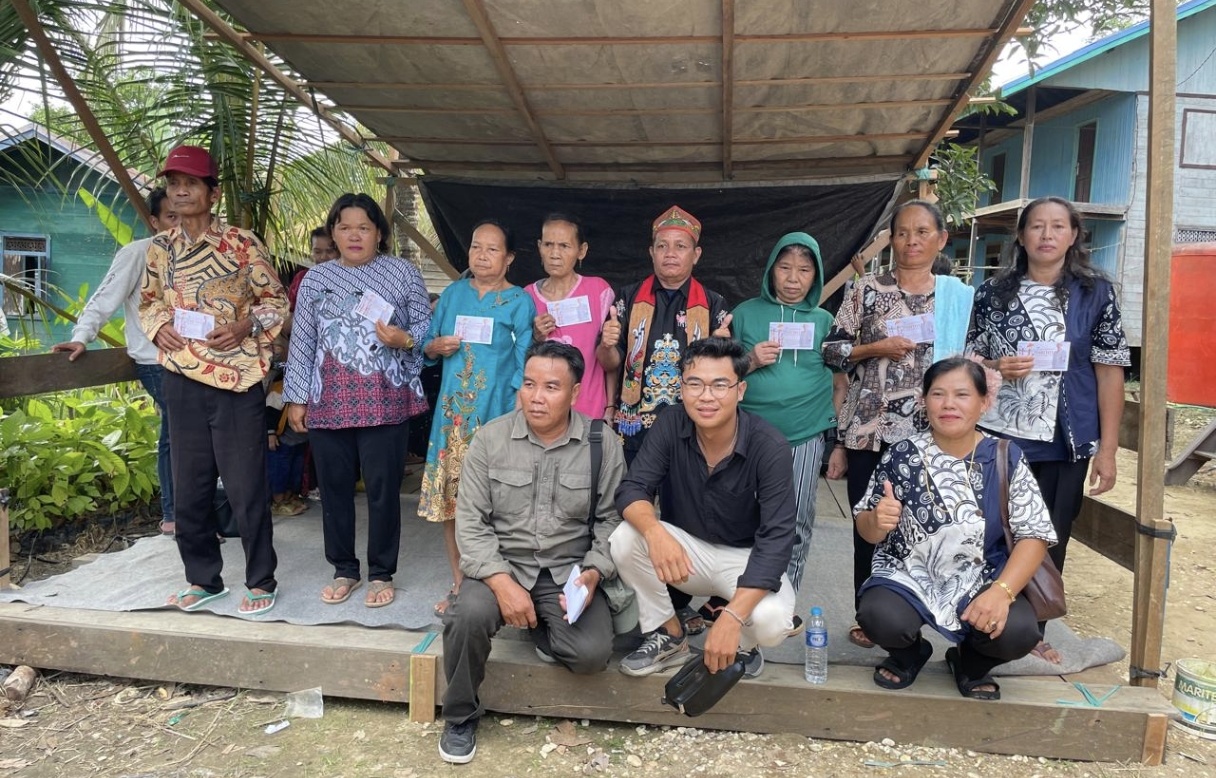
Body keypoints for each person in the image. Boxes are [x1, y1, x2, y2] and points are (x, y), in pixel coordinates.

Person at [437, 341, 625, 764]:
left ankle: (538, 625)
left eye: (551, 387)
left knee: (591, 655)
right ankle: (460, 716)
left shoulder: (601, 443)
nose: (537, 397)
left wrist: (593, 573)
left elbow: (612, 521)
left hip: (566, 572)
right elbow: (471, 523)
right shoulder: (490, 439)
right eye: (529, 384)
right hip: (501, 567)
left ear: (575, 393)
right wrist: (502, 584)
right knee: (466, 616)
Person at [967, 195, 1130, 664]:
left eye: (1058, 226)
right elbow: (969, 359)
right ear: (1021, 236)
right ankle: (980, 620)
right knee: (991, 529)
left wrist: (1108, 449)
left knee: (1050, 532)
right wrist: (997, 365)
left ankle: (1032, 630)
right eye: (1037, 226)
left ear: (1073, 235)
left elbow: (1109, 371)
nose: (1047, 234)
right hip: (1001, 435)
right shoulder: (993, 293)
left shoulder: (1095, 293)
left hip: (1065, 439)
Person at [138, 145, 289, 615]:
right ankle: (203, 580)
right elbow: (149, 302)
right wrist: (157, 327)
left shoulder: (242, 244)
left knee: (245, 487)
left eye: (191, 183)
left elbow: (277, 301)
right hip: (181, 376)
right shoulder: (160, 248)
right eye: (173, 183)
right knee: (190, 486)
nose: (180, 191)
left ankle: (260, 579)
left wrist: (245, 326)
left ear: (213, 192)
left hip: (237, 380)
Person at [854, 357, 1057, 700]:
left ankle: (971, 663)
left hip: (983, 577)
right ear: (924, 401)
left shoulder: (1005, 456)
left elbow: (1034, 535)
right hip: (908, 575)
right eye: (938, 394)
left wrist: (1002, 591)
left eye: (962, 394)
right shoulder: (902, 454)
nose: (948, 404)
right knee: (878, 616)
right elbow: (867, 529)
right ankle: (909, 655)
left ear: (984, 402)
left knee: (1019, 632)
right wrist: (877, 521)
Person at [821, 199, 973, 649]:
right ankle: (870, 617)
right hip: (870, 432)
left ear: (941, 239)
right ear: (892, 240)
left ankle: (923, 616)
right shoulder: (866, 290)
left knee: (928, 527)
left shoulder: (957, 297)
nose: (911, 241)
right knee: (869, 526)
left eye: (922, 232)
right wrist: (875, 349)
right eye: (902, 232)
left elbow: (973, 360)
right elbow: (831, 350)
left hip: (933, 437)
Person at [610, 337, 797, 679]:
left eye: (719, 385)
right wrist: (654, 532)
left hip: (745, 559)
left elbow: (777, 539)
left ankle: (743, 644)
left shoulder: (769, 446)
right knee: (625, 536)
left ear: (740, 390)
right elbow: (633, 488)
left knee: (772, 622)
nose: (706, 396)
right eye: (695, 384)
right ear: (681, 389)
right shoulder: (671, 423)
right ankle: (669, 634)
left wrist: (732, 617)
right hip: (688, 554)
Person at [283, 193, 431, 607]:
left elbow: (426, 326)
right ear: (333, 233)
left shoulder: (402, 273)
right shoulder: (316, 279)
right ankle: (344, 569)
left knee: (383, 490)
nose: (354, 236)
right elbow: (303, 341)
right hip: (328, 401)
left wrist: (405, 339)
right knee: (334, 490)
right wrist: (296, 397)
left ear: (378, 233)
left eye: (363, 227)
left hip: (385, 400)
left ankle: (381, 572)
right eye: (344, 227)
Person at [598, 205, 731, 635]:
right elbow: (609, 363)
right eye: (662, 246)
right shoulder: (625, 298)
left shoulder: (714, 305)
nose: (670, 253)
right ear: (651, 252)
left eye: (680, 246)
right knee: (631, 514)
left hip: (689, 430)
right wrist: (608, 344)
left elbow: (724, 371)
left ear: (696, 254)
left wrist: (722, 349)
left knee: (683, 515)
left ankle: (677, 603)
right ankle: (628, 602)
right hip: (634, 428)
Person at [420, 219, 536, 615]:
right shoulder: (453, 295)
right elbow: (426, 346)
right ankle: (458, 584)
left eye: (492, 249)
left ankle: (498, 586)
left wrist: (519, 413)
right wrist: (435, 346)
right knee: (452, 503)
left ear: (509, 258)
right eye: (475, 246)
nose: (482, 255)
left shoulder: (519, 301)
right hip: (453, 418)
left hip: (497, 418)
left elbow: (525, 362)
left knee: (499, 505)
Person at [52, 187, 180, 534]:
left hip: (195, 362)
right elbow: (104, 297)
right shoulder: (137, 253)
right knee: (180, 429)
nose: (179, 224)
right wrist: (82, 336)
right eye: (171, 216)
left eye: (184, 215)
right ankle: (175, 515)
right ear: (154, 221)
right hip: (155, 362)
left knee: (183, 432)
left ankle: (183, 514)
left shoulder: (198, 256)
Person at [729, 232, 838, 601]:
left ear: (816, 275)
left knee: (796, 519)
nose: (793, 278)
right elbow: (720, 373)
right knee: (745, 515)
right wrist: (750, 360)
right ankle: (739, 596)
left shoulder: (825, 321)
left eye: (804, 270)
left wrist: (836, 437)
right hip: (748, 433)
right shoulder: (744, 314)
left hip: (804, 434)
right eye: (785, 268)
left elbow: (840, 379)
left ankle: (782, 598)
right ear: (771, 270)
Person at [525, 213, 616, 420]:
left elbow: (610, 357)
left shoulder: (599, 291)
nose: (554, 253)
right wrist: (536, 336)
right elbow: (517, 359)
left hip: (590, 409)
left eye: (564, 246)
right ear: (539, 247)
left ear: (581, 251)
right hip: (541, 411)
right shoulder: (526, 297)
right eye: (548, 244)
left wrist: (610, 405)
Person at [287, 226, 339, 310]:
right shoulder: (301, 278)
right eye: (317, 252)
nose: (323, 257)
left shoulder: (349, 282)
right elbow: (290, 312)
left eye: (329, 251)